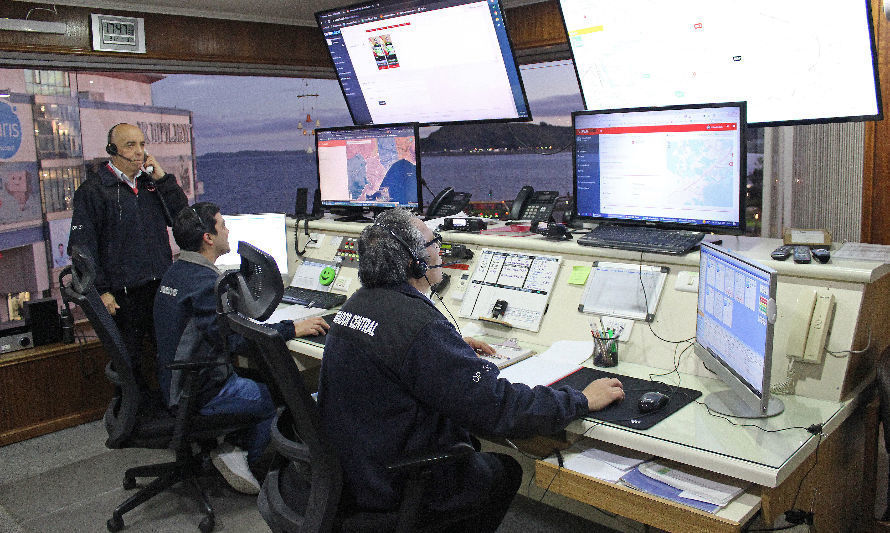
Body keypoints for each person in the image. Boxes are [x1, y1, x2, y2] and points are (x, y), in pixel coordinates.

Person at [317, 208, 625, 531]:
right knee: (504, 472)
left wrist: (449, 348)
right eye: (433, 243)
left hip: (356, 473)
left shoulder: (356, 305)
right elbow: (499, 408)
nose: (439, 250)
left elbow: (400, 350)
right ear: (415, 262)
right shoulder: (420, 329)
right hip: (397, 485)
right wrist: (580, 400)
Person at [154, 202, 330, 494]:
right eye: (223, 225)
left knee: (263, 378)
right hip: (199, 391)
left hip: (175, 382)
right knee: (277, 395)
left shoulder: (178, 272)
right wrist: (291, 328)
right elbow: (237, 341)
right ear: (208, 238)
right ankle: (238, 453)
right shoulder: (205, 285)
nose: (227, 230)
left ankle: (230, 443)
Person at [69, 123, 188, 385]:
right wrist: (100, 291)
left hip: (159, 287)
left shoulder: (150, 185)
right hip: (123, 296)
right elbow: (82, 248)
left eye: (142, 145)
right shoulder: (93, 192)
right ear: (112, 150)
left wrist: (163, 179)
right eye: (130, 145)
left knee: (170, 355)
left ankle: (171, 411)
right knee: (130, 364)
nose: (139, 152)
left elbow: (183, 220)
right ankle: (134, 419)